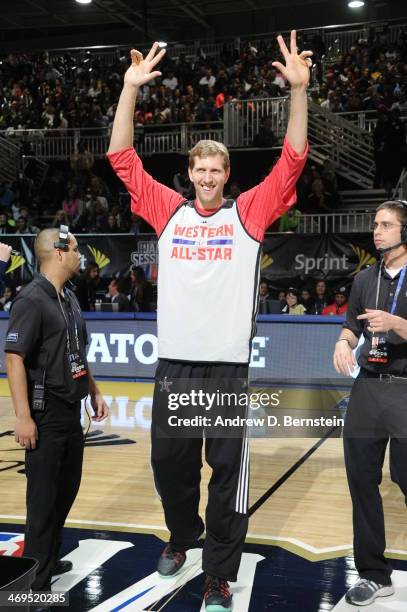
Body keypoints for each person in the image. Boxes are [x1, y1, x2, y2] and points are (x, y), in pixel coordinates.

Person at [107, 33, 310, 611]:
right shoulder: (166, 212)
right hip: (174, 365)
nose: (207, 177)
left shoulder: (249, 213)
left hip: (226, 370)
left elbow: (293, 158)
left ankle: (219, 571)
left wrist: (299, 91)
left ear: (227, 174)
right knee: (170, 466)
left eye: (216, 169)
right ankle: (180, 535)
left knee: (226, 476)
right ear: (189, 173)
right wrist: (127, 88)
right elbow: (121, 157)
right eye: (199, 169)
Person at [4, 228, 108, 601]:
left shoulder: (69, 298)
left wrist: (93, 390)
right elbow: (14, 357)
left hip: (70, 412)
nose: (82, 254)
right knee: (43, 501)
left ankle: (47, 557)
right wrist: (22, 416)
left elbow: (77, 352)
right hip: (44, 415)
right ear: (58, 253)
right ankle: (35, 581)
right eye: (76, 248)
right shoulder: (31, 300)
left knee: (65, 493)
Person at [333, 200, 407, 607]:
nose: (377, 231)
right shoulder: (364, 279)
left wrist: (397, 324)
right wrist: (342, 344)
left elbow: (393, 326)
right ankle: (374, 574)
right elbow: (350, 325)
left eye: (386, 225)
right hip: (368, 387)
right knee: (361, 479)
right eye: (375, 224)